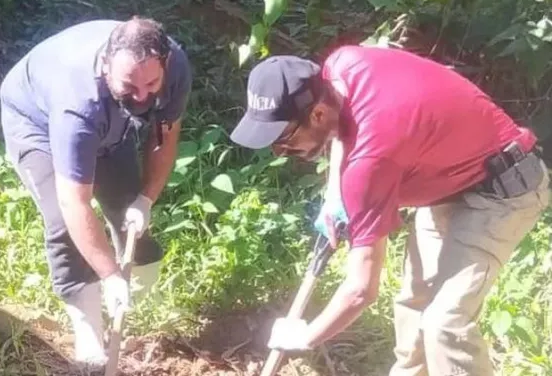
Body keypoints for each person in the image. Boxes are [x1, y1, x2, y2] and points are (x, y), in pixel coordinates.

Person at [229, 47, 550, 376]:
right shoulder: (340, 68)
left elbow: (360, 291)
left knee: (444, 323)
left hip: (502, 188)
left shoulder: (370, 163)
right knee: (413, 306)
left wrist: (305, 337)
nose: (280, 151)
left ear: (318, 115)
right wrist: (334, 194)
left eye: (284, 139)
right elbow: (344, 129)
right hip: (446, 183)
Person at [0, 17, 192, 366]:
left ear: (164, 64)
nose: (143, 96)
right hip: (36, 124)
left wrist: (146, 198)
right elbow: (74, 203)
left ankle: (135, 291)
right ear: (105, 65)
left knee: (125, 203)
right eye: (130, 87)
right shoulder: (77, 105)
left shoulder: (173, 65)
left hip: (107, 125)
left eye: (151, 84)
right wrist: (110, 275)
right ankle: (87, 325)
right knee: (62, 224)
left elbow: (165, 134)